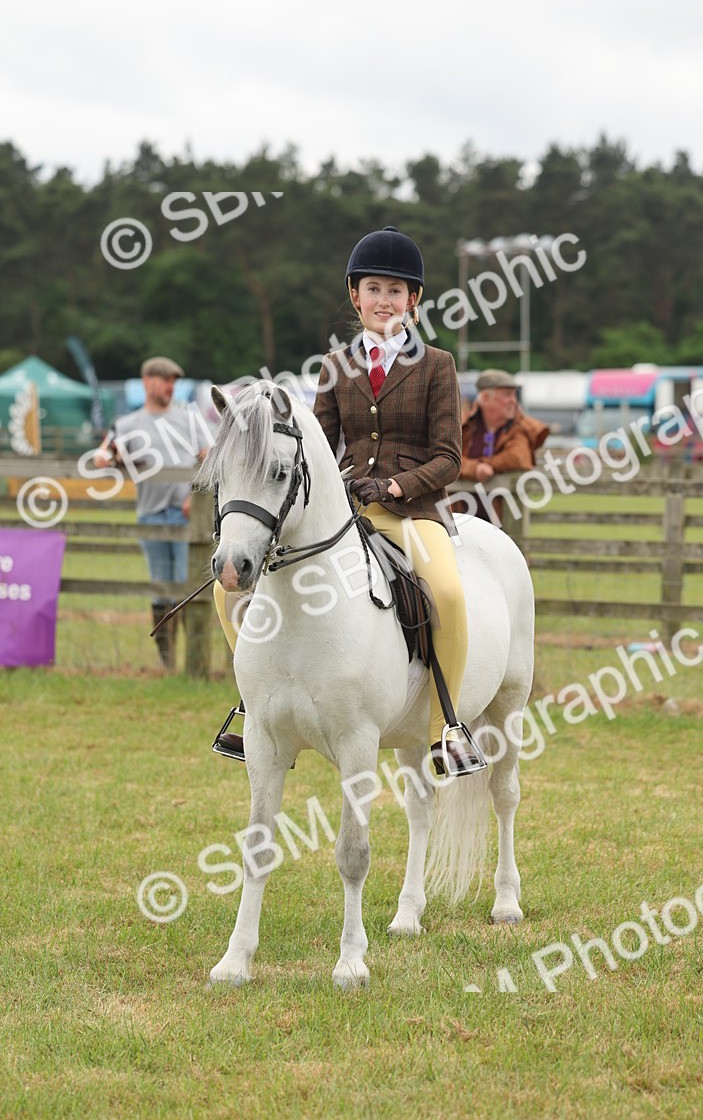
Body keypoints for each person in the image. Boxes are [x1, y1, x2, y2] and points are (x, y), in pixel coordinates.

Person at [212, 226, 484, 777]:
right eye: (373, 289)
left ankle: (445, 729)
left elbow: (450, 458)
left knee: (449, 595)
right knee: (227, 593)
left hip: (410, 512)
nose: (384, 301)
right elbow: (321, 444)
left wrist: (397, 486)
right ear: (355, 297)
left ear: (414, 301)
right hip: (344, 515)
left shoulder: (437, 365)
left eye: (396, 291)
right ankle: (256, 702)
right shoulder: (335, 365)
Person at [95, 356, 204, 667]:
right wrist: (105, 457)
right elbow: (104, 453)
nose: (171, 386)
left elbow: (210, 458)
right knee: (160, 588)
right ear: (148, 382)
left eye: (174, 381)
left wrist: (195, 497)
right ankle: (167, 662)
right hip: (151, 516)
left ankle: (192, 662)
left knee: (186, 588)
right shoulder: (129, 424)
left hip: (186, 517)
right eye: (165, 380)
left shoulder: (189, 419)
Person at [458, 370, 549, 522]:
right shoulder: (462, 425)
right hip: (461, 517)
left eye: (514, 395)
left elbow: (518, 458)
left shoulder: (520, 428)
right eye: (507, 395)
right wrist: (474, 469)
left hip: (503, 521)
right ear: (485, 398)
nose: (514, 401)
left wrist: (485, 465)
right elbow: (445, 459)